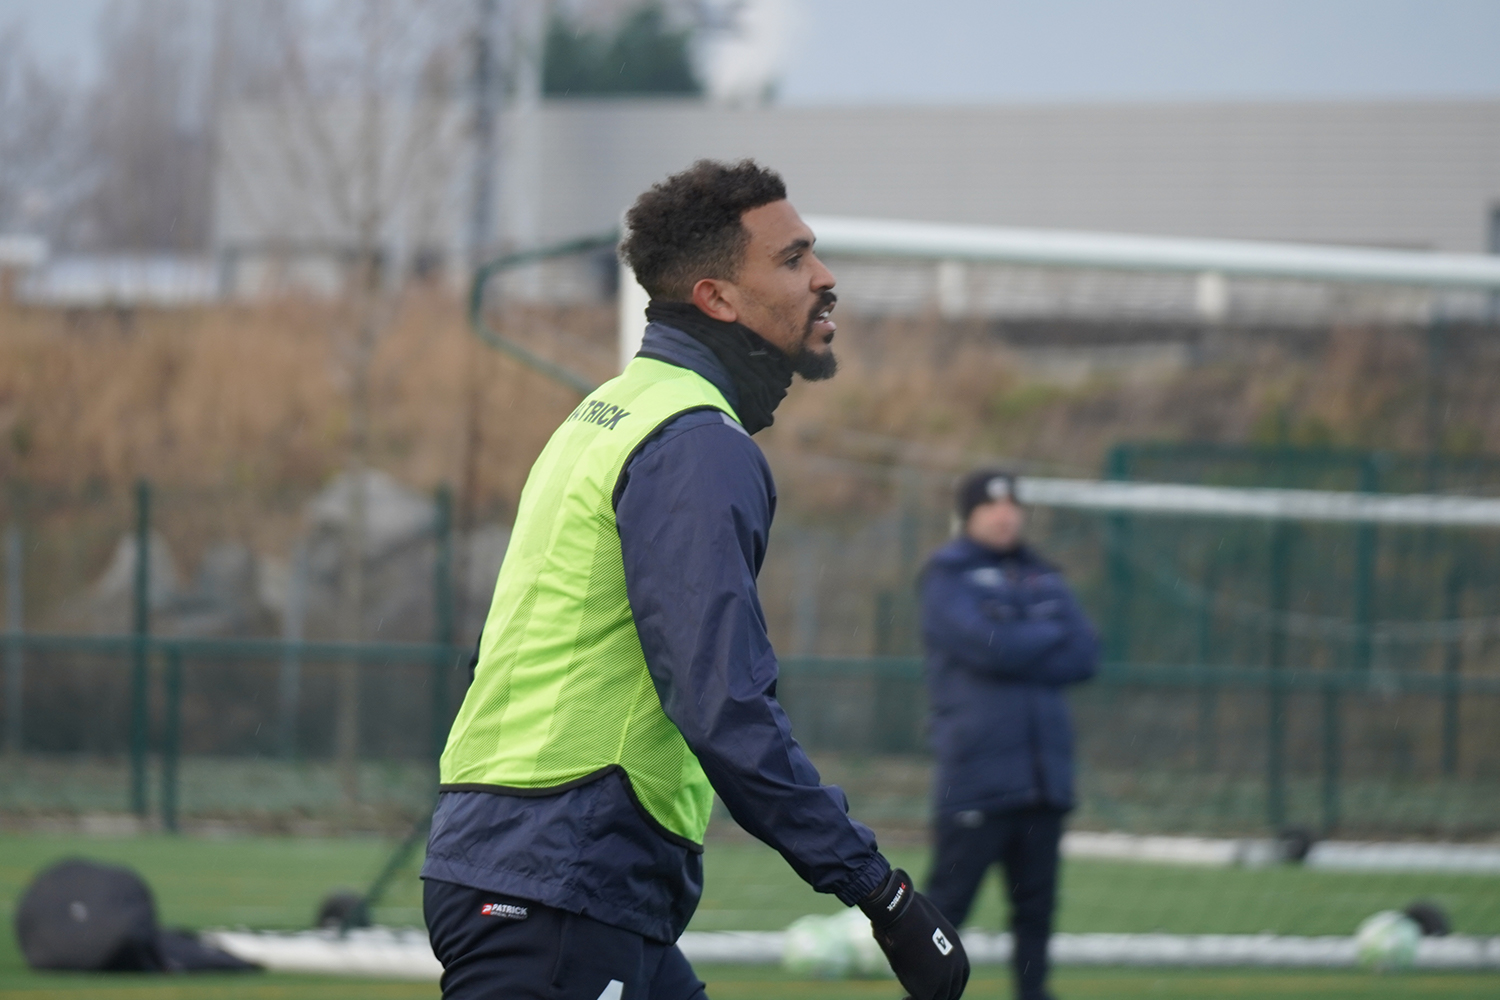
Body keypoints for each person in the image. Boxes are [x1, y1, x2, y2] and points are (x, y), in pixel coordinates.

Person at [422, 160, 969, 1000]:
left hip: (554, 870)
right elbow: (721, 702)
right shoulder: (693, 441)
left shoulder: (608, 409)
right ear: (717, 298)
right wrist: (882, 895)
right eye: (791, 260)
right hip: (558, 879)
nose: (824, 279)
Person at [919, 470, 1099, 1000]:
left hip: (1043, 781)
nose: (1005, 516)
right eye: (992, 508)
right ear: (968, 515)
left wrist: (1018, 633)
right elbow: (987, 645)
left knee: (1036, 911)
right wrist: (1043, 633)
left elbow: (1086, 654)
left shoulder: (1043, 575)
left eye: (1013, 506)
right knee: (944, 912)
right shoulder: (946, 575)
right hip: (976, 776)